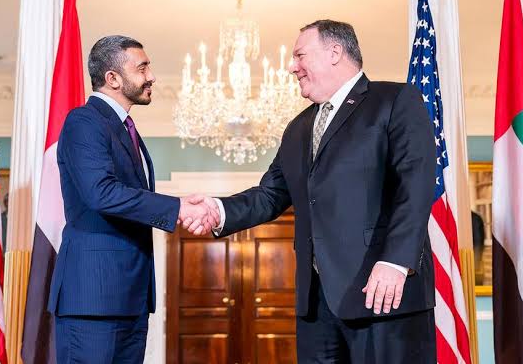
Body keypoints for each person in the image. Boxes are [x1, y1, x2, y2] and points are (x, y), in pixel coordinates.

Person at [185, 20, 437, 363]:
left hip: (383, 290)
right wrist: (217, 210)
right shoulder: (298, 128)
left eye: (300, 55)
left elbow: (416, 183)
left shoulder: (393, 100)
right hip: (316, 305)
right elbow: (270, 194)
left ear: (335, 52)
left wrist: (396, 261)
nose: (292, 67)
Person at [47, 35, 216, 364]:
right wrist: (178, 208)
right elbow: (101, 193)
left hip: (129, 299)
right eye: (142, 68)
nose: (151, 76)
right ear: (112, 78)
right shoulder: (84, 121)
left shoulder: (124, 127)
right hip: (94, 300)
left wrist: (178, 207)